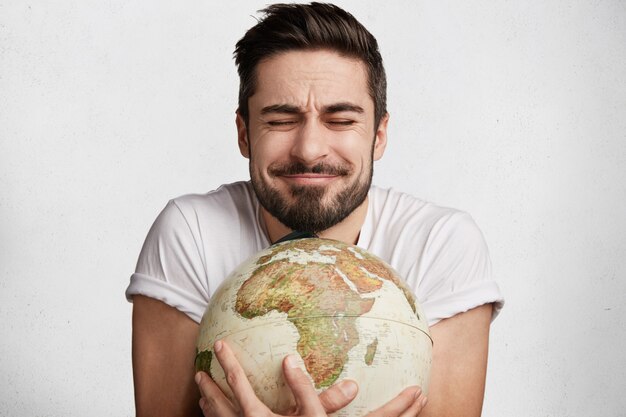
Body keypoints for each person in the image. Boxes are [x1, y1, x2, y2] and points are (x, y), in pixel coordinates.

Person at [126, 3, 504, 417]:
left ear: (378, 136)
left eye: (340, 120)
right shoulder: (190, 233)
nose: (309, 150)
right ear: (244, 134)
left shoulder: (442, 243)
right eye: (281, 120)